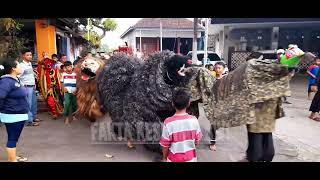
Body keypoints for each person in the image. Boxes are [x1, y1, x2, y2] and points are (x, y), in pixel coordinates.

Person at [159, 89, 202, 162]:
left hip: (173, 159)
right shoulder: (194, 120)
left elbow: (165, 145)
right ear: (189, 103)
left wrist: (165, 157)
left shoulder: (168, 122)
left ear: (172, 104)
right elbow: (198, 140)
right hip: (190, 158)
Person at [0, 59, 29, 162]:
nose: (21, 68)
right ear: (13, 68)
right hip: (12, 115)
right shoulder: (6, 81)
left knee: (14, 138)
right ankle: (12, 160)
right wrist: (6, 109)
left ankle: (12, 157)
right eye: (18, 66)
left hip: (17, 114)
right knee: (12, 138)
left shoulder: (14, 79)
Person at [37, 53, 64, 119]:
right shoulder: (43, 72)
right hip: (49, 88)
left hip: (56, 87)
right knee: (50, 101)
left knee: (58, 100)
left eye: (49, 63)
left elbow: (60, 76)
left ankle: (58, 111)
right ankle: (54, 113)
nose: (48, 65)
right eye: (46, 63)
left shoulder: (56, 69)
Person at [19, 49, 40, 126]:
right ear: (23, 56)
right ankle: (29, 121)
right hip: (26, 87)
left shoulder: (29, 64)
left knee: (34, 103)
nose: (30, 56)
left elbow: (31, 75)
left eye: (31, 55)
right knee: (28, 104)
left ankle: (34, 117)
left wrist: (34, 85)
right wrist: (22, 86)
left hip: (32, 86)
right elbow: (18, 76)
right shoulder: (21, 65)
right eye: (28, 55)